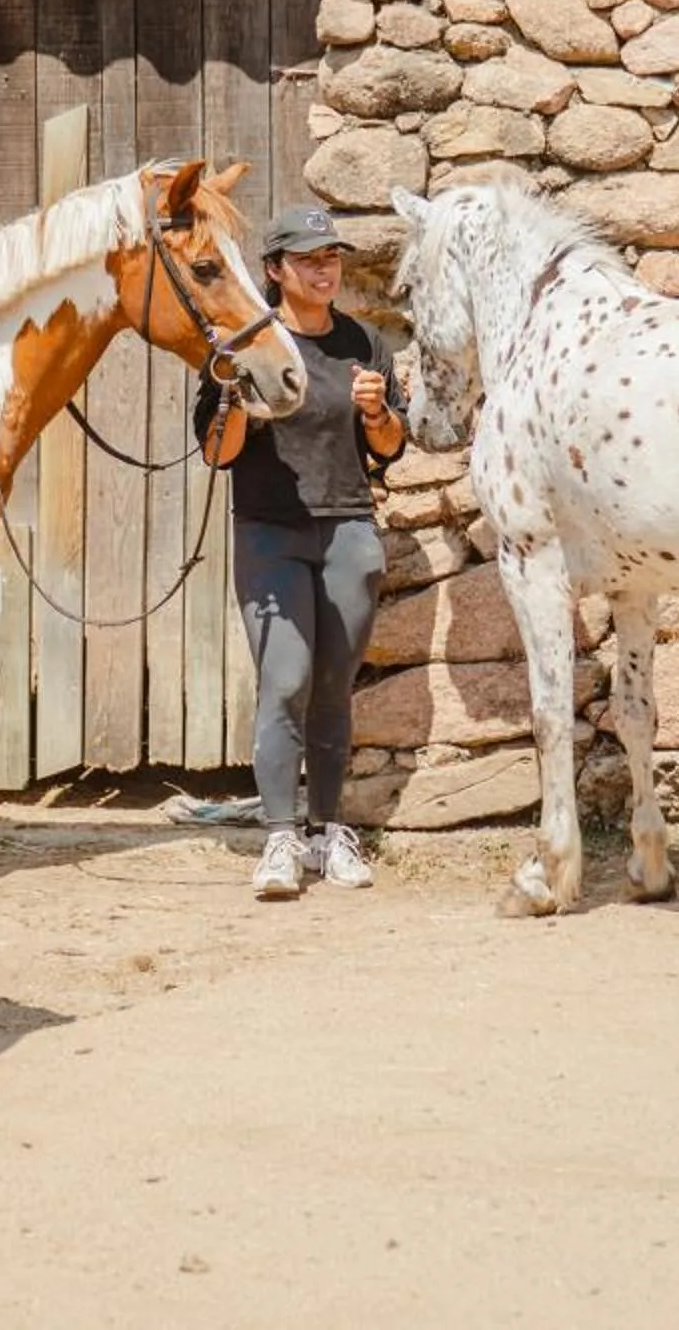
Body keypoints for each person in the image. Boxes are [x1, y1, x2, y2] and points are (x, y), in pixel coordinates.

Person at [197, 203, 407, 900]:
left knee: (332, 689)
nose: (326, 269)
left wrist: (378, 413)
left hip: (348, 527)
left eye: (333, 257)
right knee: (285, 680)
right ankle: (282, 838)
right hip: (269, 531)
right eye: (311, 259)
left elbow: (390, 448)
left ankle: (328, 832)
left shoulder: (364, 344)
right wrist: (232, 398)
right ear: (275, 270)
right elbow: (216, 454)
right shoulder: (245, 344)